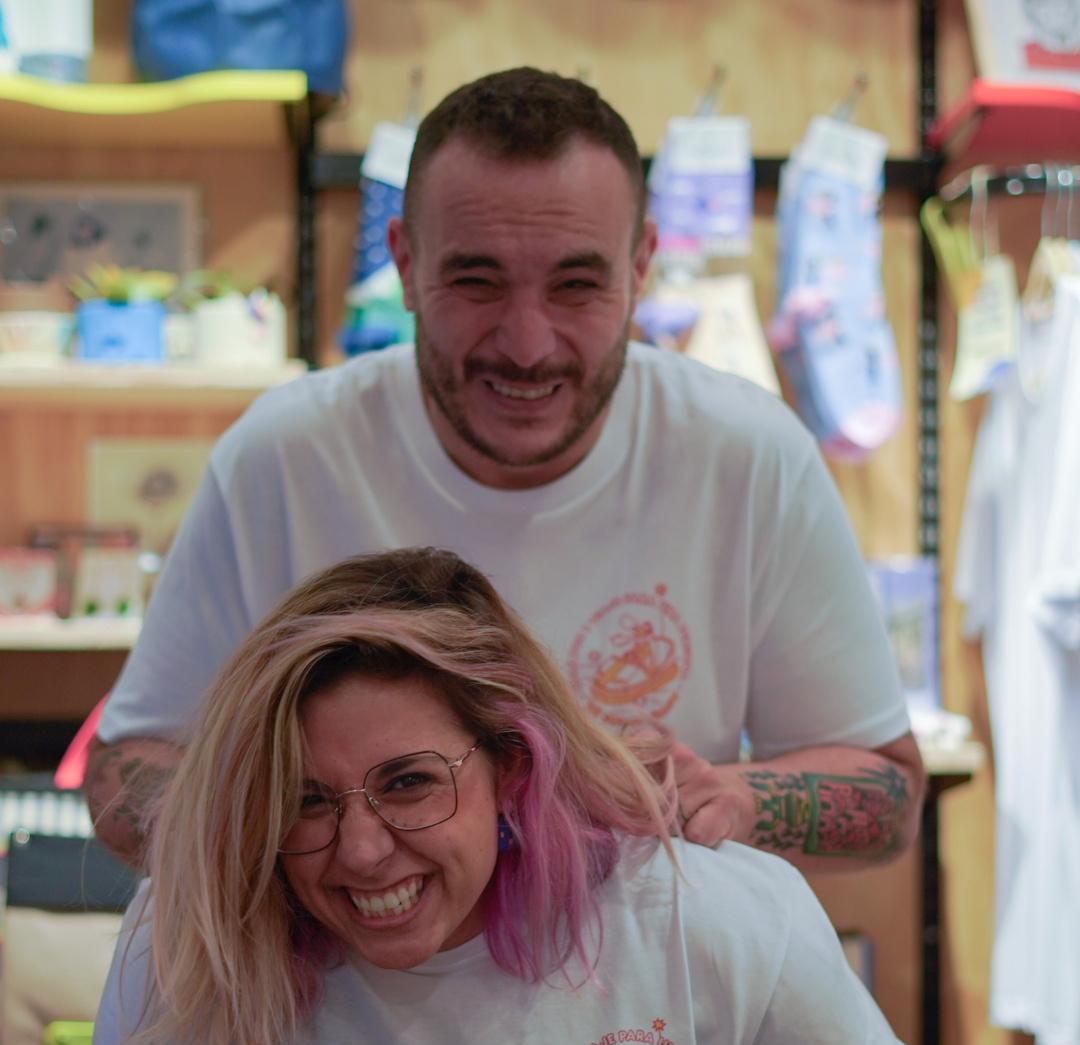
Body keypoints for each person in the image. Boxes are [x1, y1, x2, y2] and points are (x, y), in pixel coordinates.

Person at [69, 549, 979, 1045]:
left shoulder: (696, 911)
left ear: (513, 766)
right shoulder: (195, 936)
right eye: (306, 801)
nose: (362, 851)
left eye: (410, 783)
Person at [85, 67, 924, 878]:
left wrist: (736, 800)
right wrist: (296, 827)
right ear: (404, 264)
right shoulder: (283, 458)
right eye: (476, 280)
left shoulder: (749, 455)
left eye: (576, 284)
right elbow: (125, 775)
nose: (527, 344)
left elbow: (889, 795)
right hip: (341, 975)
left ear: (641, 267)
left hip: (651, 975)